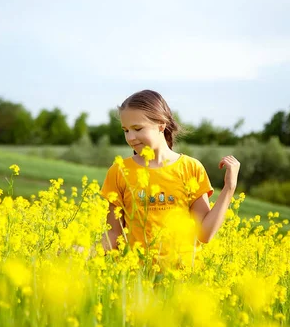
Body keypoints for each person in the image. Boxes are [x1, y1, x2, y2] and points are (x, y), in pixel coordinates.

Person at [100, 90, 241, 265]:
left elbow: (204, 234)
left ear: (161, 124)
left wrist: (229, 188)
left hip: (181, 281)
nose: (130, 137)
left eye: (137, 129)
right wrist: (81, 252)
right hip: (136, 282)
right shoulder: (119, 171)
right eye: (126, 130)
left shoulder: (190, 168)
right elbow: (113, 235)